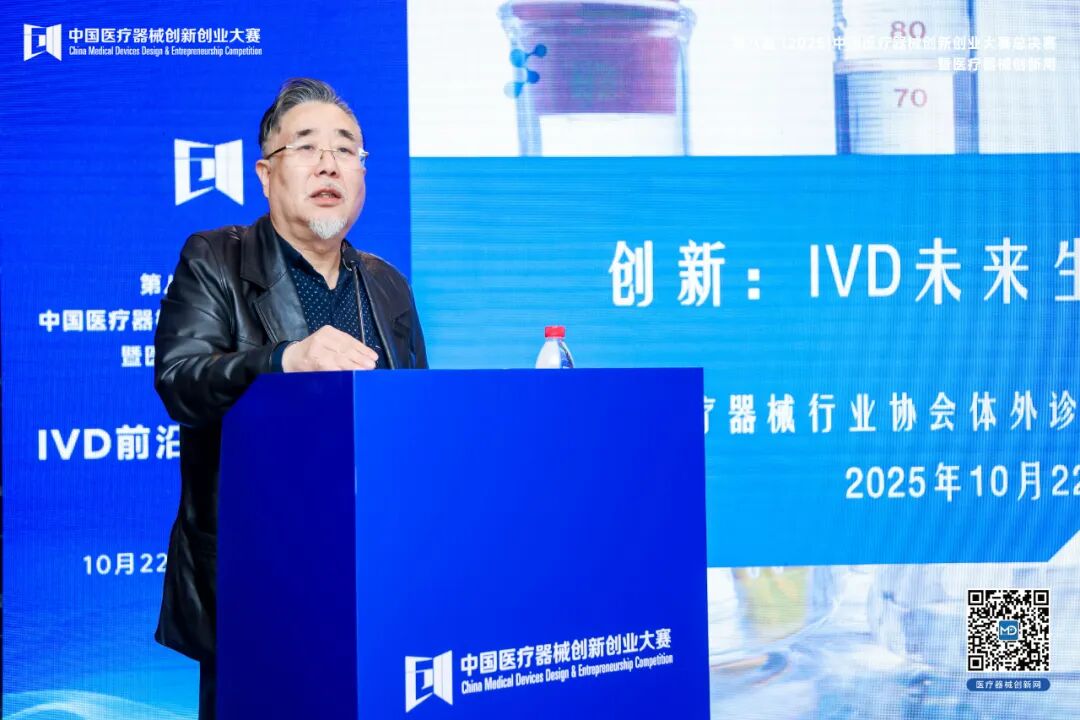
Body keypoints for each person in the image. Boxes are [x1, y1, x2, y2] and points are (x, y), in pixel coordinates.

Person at [152, 78, 427, 720]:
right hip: (258, 576)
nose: (329, 163)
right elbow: (181, 380)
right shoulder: (216, 259)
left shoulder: (386, 283)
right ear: (266, 173)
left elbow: (415, 418)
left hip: (371, 573)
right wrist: (283, 360)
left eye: (347, 149)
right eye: (306, 146)